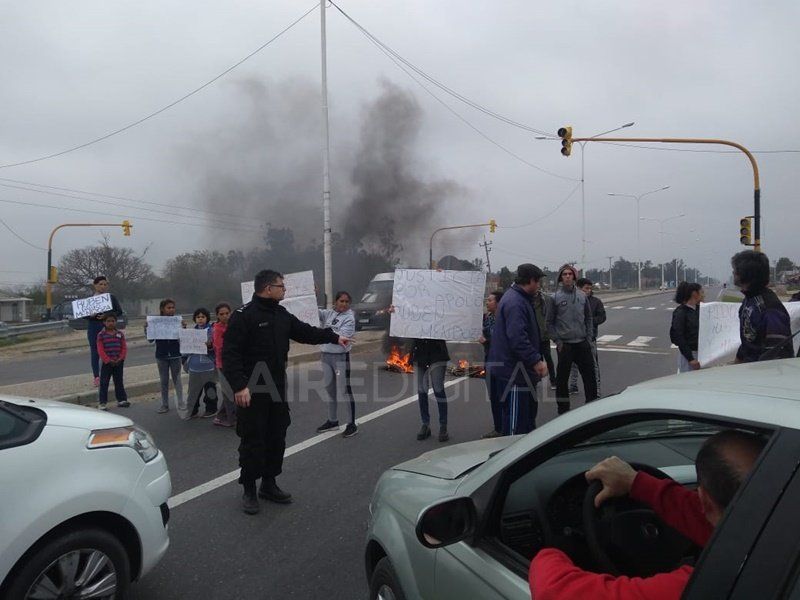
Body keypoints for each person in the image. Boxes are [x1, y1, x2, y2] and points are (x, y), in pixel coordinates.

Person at [529, 429, 767, 599]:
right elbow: (714, 518)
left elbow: (554, 592)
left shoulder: (710, 584)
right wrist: (637, 483)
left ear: (704, 499)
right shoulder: (773, 530)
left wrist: (551, 551)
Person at [222, 269, 349, 515]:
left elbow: (305, 332)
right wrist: (239, 386)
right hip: (252, 389)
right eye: (281, 286)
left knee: (276, 435)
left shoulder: (281, 314)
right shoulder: (243, 316)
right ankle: (249, 488)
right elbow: (230, 354)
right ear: (268, 288)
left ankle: (269, 483)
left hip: (277, 388)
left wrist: (334, 338)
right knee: (252, 439)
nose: (285, 290)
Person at [486, 264, 548, 435]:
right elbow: (518, 339)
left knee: (526, 422)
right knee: (515, 427)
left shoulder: (518, 298)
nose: (539, 285)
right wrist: (536, 361)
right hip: (514, 374)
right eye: (538, 281)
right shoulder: (516, 302)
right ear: (531, 280)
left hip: (520, 373)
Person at [547, 264, 597, 414]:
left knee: (590, 377)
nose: (568, 276)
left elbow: (588, 318)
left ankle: (592, 406)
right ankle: (563, 410)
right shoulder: (555, 298)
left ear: (574, 277)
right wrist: (558, 341)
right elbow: (549, 323)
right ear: (560, 278)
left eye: (570, 274)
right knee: (562, 380)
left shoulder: (582, 296)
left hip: (582, 343)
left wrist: (589, 338)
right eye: (565, 274)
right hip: (565, 345)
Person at [731, 250, 793, 362]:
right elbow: (748, 341)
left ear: (746, 274)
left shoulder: (770, 309)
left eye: (736, 270)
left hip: (765, 370)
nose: (733, 272)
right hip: (748, 369)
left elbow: (777, 355)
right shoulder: (748, 300)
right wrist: (736, 362)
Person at [316, 291, 358, 438]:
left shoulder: (350, 318)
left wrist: (325, 333)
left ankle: (352, 424)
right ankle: (332, 420)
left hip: (340, 358)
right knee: (330, 390)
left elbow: (342, 338)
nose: (344, 304)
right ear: (335, 302)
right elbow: (313, 311)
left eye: (347, 302)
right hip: (326, 356)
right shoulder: (329, 313)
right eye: (341, 301)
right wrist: (313, 295)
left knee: (344, 390)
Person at [145, 298, 184, 414]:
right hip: (161, 355)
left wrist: (184, 329)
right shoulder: (155, 322)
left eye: (173, 307)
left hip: (175, 355)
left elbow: (183, 339)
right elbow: (150, 340)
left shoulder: (177, 322)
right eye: (169, 308)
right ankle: (165, 404)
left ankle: (181, 403)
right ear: (162, 309)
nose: (171, 310)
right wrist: (146, 328)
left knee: (177, 380)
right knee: (164, 381)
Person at [569, 278, 606, 396]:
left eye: (590, 288)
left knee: (593, 365)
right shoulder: (572, 300)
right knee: (573, 364)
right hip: (575, 338)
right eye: (586, 288)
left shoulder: (596, 302)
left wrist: (589, 321)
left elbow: (602, 317)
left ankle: (597, 390)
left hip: (590, 338)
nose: (589, 290)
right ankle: (573, 385)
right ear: (579, 288)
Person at [85, 276, 123, 387]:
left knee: (110, 350)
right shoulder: (90, 299)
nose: (103, 286)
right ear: (95, 285)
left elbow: (119, 311)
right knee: (95, 352)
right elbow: (83, 315)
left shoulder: (111, 298)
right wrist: (91, 315)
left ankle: (110, 375)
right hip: (94, 327)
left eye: (105, 284)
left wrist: (107, 316)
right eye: (100, 284)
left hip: (108, 327)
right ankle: (96, 376)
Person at [411, 338, 451, 442]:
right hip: (419, 350)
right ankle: (425, 424)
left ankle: (443, 426)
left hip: (437, 351)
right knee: (421, 389)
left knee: (438, 389)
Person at [182, 308, 218, 420]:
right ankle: (192, 410)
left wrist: (210, 346)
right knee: (193, 390)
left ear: (207, 318)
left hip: (208, 366)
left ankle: (211, 409)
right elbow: (185, 348)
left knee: (210, 389)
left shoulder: (212, 331)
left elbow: (216, 348)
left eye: (203, 317)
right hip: (194, 366)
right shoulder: (191, 332)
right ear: (195, 319)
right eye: (198, 317)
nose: (200, 319)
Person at [479, 290, 503, 439]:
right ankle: (498, 427)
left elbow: (502, 341)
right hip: (489, 360)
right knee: (493, 396)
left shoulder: (504, 319)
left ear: (498, 303)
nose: (487, 303)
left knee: (502, 395)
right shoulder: (487, 318)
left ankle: (506, 427)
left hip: (501, 362)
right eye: (487, 300)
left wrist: (486, 341)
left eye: (490, 300)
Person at [96, 314, 130, 410]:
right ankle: (102, 403)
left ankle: (122, 400)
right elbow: (100, 349)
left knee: (119, 381)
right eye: (108, 321)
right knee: (104, 382)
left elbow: (124, 347)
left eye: (113, 321)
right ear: (104, 322)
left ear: (116, 322)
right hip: (106, 363)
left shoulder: (120, 334)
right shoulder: (101, 335)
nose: (111, 323)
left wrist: (120, 358)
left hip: (118, 362)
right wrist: (107, 360)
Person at [212, 302, 237, 428]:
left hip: (235, 362)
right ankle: (231, 419)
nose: (225, 316)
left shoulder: (233, 325)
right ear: (217, 315)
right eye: (222, 314)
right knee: (228, 392)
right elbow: (220, 347)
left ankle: (221, 416)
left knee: (232, 390)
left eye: (227, 313)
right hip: (223, 364)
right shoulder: (217, 329)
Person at [670, 282, 703, 372]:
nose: (703, 295)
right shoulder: (681, 312)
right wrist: (690, 358)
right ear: (694, 294)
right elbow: (678, 337)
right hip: (689, 356)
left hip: (702, 353)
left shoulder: (700, 309)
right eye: (701, 292)